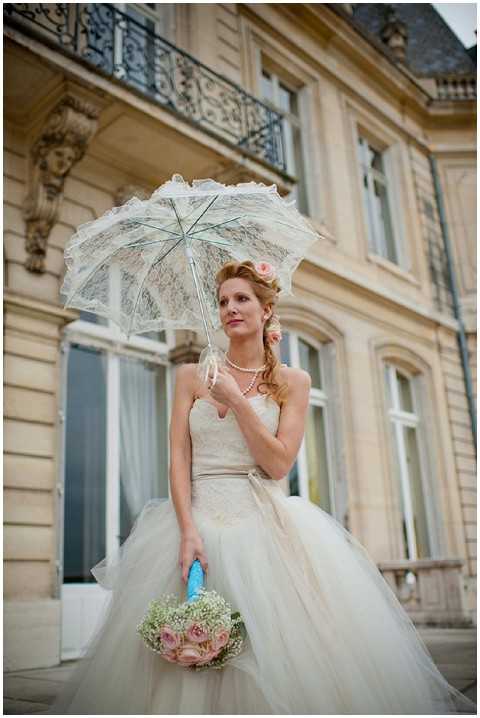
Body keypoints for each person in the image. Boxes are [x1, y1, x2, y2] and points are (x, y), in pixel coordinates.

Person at [46, 259, 476, 715]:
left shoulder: (294, 382)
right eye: (224, 301)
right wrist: (187, 529)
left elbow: (277, 463)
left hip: (266, 525)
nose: (231, 308)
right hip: (195, 522)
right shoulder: (191, 376)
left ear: (266, 309)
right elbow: (177, 459)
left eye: (242, 299)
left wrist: (236, 400)